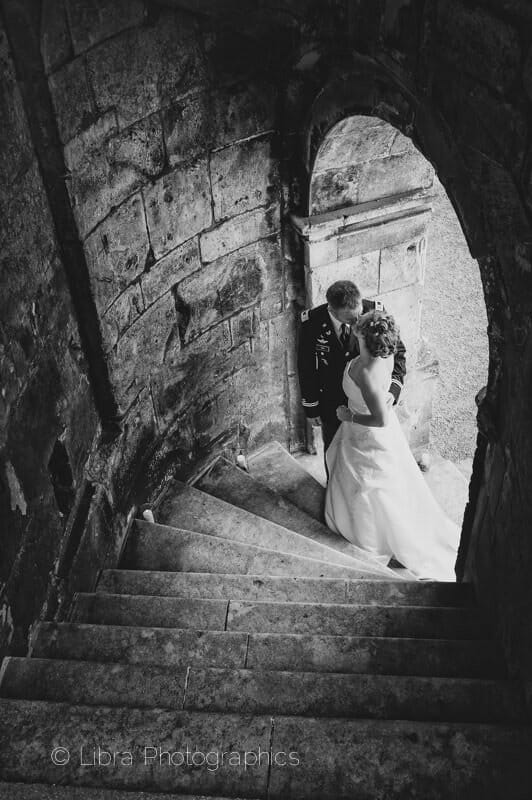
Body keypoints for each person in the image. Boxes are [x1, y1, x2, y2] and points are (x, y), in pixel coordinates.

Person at [324, 309, 460, 580]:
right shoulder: (371, 360)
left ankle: (377, 534)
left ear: (365, 338)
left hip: (368, 435)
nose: (354, 331)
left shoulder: (366, 374)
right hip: (357, 434)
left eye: (358, 330)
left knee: (372, 486)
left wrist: (349, 416)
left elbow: (380, 420)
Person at [297, 280, 406, 454]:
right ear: (331, 310)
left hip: (368, 404)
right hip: (331, 403)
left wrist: (393, 392)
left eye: (359, 315)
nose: (357, 323)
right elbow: (306, 367)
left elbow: (398, 352)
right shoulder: (312, 322)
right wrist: (311, 407)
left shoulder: (375, 314)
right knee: (334, 451)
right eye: (350, 319)